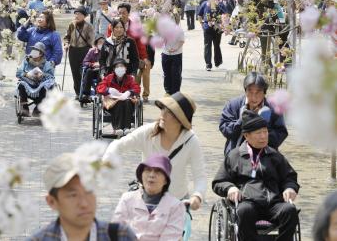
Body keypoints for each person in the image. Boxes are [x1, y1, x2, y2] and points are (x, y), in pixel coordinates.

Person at [103, 92, 207, 209]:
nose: (163, 114)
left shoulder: (191, 141)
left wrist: (197, 196)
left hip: (177, 203)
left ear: (180, 120)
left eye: (170, 112)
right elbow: (118, 145)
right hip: (147, 200)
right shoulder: (148, 132)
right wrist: (106, 163)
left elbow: (200, 176)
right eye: (163, 109)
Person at [212, 110, 300, 241]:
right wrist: (230, 188)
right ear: (246, 136)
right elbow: (218, 182)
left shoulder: (275, 156)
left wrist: (290, 188)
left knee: (290, 211)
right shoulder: (234, 156)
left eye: (265, 132)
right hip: (248, 203)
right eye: (259, 133)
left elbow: (290, 177)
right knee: (243, 211)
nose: (263, 137)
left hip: (274, 203)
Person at [27, 152, 137, 241]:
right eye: (73, 195)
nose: (84, 203)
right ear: (52, 202)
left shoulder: (121, 236)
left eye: (89, 191)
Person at [113, 154, 185, 240]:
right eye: (148, 170)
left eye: (158, 171)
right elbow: (115, 231)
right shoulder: (127, 199)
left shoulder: (176, 206)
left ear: (166, 180)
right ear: (141, 175)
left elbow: (169, 238)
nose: (151, 175)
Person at [219, 71, 288, 155]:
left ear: (264, 92)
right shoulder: (233, 105)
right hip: (236, 156)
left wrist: (261, 136)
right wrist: (242, 120)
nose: (254, 97)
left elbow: (281, 132)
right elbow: (225, 129)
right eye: (250, 92)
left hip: (264, 158)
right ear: (245, 91)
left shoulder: (273, 108)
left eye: (258, 92)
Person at [107, 3, 150, 100]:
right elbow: (108, 41)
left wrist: (143, 58)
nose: (122, 15)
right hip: (117, 57)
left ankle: (143, 93)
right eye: (120, 13)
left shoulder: (135, 26)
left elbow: (140, 44)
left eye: (124, 13)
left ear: (128, 13)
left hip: (133, 55)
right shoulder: (112, 25)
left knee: (145, 66)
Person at [96, 59, 140, 135]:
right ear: (114, 69)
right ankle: (117, 128)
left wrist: (129, 92)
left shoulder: (130, 78)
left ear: (125, 68)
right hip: (112, 103)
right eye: (117, 67)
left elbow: (137, 88)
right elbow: (99, 87)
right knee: (119, 102)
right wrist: (108, 90)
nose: (120, 68)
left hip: (127, 104)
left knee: (126, 101)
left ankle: (127, 128)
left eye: (122, 66)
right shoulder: (109, 78)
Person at [16, 42, 56, 117]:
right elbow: (18, 72)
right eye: (33, 50)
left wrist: (42, 75)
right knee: (21, 85)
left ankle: (38, 108)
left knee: (46, 87)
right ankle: (25, 109)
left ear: (41, 53)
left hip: (40, 86)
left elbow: (51, 77)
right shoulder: (26, 61)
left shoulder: (47, 64)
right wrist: (26, 74)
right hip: (28, 84)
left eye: (36, 50)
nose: (33, 52)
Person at [64, 6, 95, 100]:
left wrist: (92, 49)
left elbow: (92, 39)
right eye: (76, 14)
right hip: (73, 51)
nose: (77, 16)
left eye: (79, 14)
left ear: (84, 16)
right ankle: (77, 92)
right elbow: (67, 37)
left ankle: (85, 93)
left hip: (85, 50)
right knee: (75, 72)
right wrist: (66, 44)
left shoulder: (89, 26)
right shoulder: (71, 24)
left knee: (84, 72)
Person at [197, 0, 227, 71]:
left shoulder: (205, 3)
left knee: (208, 46)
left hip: (211, 27)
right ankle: (216, 62)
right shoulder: (220, 4)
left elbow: (199, 15)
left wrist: (202, 24)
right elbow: (225, 15)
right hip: (215, 27)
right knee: (216, 45)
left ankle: (209, 64)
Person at [161, 25, 185, 96]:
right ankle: (168, 91)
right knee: (166, 74)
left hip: (176, 54)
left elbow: (182, 41)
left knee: (176, 74)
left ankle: (176, 92)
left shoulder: (179, 30)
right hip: (165, 53)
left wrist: (176, 48)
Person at [80, 37, 105, 101]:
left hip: (102, 71)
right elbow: (84, 62)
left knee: (101, 73)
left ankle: (99, 92)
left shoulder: (107, 51)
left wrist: (101, 65)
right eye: (100, 42)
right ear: (96, 44)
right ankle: (86, 94)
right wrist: (92, 64)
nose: (101, 44)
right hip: (92, 71)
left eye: (103, 42)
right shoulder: (92, 51)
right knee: (89, 71)